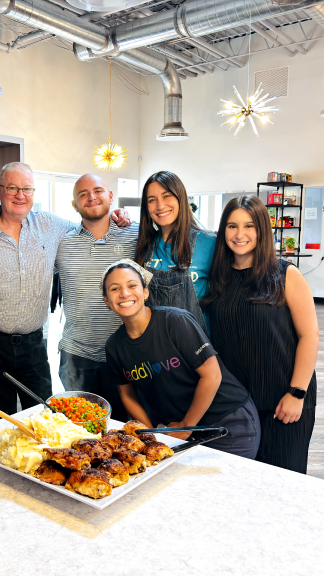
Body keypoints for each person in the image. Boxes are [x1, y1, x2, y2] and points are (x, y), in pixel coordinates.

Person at [0, 162, 130, 423]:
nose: (20, 195)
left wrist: (114, 214)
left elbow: (90, 220)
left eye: (27, 189)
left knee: (45, 417)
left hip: (34, 344)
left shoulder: (52, 226)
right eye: (12, 188)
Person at [203, 196, 318, 473]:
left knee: (283, 479)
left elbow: (309, 336)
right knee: (240, 480)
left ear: (262, 231)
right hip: (237, 403)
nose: (240, 234)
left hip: (283, 398)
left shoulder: (285, 274)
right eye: (232, 226)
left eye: (249, 226)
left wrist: (296, 393)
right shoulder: (217, 277)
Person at [102, 260, 260, 459]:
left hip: (227, 420)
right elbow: (128, 395)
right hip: (176, 429)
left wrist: (186, 425)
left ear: (145, 292)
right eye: (115, 289)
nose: (124, 293)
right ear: (106, 300)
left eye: (132, 285)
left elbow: (212, 375)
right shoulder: (114, 346)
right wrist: (152, 435)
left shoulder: (175, 321)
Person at [55, 173, 138, 421]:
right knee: (79, 429)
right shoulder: (62, 242)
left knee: (124, 429)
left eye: (98, 190)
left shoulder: (136, 234)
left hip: (127, 352)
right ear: (74, 205)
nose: (92, 197)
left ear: (110, 196)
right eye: (83, 194)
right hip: (76, 353)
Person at [135, 171, 216, 333]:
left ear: (181, 198)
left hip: (199, 347)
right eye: (152, 200)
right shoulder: (144, 246)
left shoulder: (209, 242)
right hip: (155, 344)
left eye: (167, 196)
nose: (160, 206)